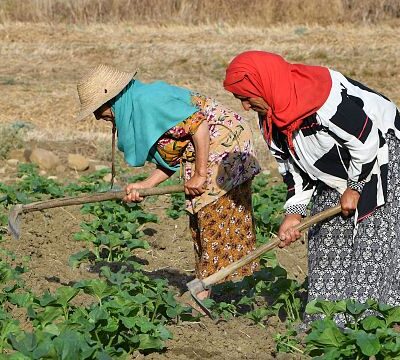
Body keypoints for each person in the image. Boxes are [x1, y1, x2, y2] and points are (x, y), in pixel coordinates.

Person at [223, 51, 400, 311]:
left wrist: (355, 186)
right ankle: (328, 321)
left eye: (246, 98)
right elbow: (292, 167)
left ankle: (373, 321)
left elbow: (367, 140)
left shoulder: (323, 97)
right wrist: (294, 213)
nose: (245, 107)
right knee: (327, 242)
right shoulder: (270, 118)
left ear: (263, 86)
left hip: (378, 157)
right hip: (331, 170)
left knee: (370, 243)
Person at [76, 64, 261, 303]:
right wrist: (146, 185)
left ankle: (202, 293)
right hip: (204, 148)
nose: (97, 116)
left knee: (211, 213)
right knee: (199, 214)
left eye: (96, 109)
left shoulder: (147, 101)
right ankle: (206, 285)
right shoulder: (136, 107)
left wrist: (201, 173)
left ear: (110, 99)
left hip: (224, 141)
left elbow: (199, 125)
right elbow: (174, 156)